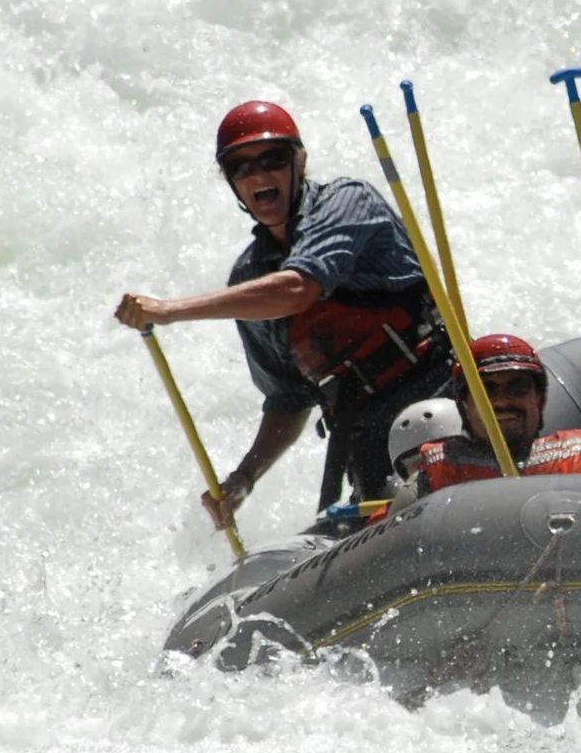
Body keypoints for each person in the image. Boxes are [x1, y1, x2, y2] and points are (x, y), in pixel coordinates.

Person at [114, 100, 451, 522]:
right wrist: (245, 476)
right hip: (363, 432)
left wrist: (171, 310)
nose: (258, 175)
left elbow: (299, 287)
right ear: (232, 182)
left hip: (439, 389)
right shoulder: (250, 280)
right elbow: (288, 398)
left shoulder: (348, 201)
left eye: (273, 159)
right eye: (241, 167)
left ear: (300, 161)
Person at [389, 333, 581, 508]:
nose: (502, 401)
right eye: (486, 390)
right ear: (465, 405)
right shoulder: (432, 476)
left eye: (517, 387)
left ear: (539, 400)